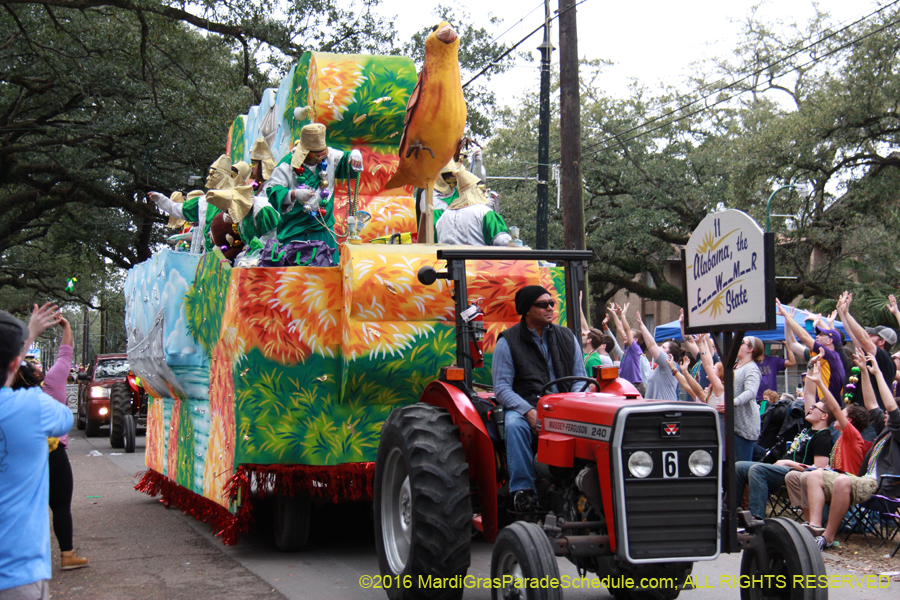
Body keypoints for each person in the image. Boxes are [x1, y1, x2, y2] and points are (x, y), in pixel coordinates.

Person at [492, 285, 588, 515]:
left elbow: (580, 378)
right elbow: (502, 388)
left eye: (551, 303)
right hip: (526, 405)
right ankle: (523, 492)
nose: (550, 308)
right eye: (543, 304)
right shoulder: (508, 341)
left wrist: (572, 405)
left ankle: (584, 486)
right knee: (514, 425)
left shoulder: (567, 337)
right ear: (527, 309)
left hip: (564, 405)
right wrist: (528, 411)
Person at [0, 306, 74, 599]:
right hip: (17, 574)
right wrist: (27, 336)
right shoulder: (33, 406)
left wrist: (26, 338)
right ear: (15, 364)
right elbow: (65, 420)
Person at [11, 317, 87, 570]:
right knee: (61, 505)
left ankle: (23, 559)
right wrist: (66, 326)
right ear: (34, 375)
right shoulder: (51, 385)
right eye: (34, 367)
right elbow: (65, 356)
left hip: (21, 455)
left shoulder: (10, 398)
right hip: (53, 453)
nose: (38, 368)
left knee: (23, 508)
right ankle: (67, 555)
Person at [803, 350, 899, 551]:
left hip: (884, 486)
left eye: (889, 415)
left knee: (841, 481)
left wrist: (878, 373)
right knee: (813, 476)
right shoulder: (885, 430)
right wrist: (864, 371)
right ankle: (815, 528)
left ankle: (828, 537)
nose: (885, 415)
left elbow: (890, 405)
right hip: (866, 481)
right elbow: (872, 404)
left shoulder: (897, 431)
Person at [735, 358, 835, 521]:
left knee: (757, 470)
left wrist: (789, 463)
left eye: (815, 408)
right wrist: (810, 365)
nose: (810, 408)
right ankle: (732, 512)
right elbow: (809, 393)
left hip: (793, 473)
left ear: (824, 416)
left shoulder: (823, 437)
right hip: (782, 468)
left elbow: (818, 471)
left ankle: (756, 519)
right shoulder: (808, 427)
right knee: (739, 466)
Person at [784, 354, 872, 528]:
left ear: (849, 421)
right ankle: (810, 522)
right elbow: (810, 396)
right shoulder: (839, 436)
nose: (837, 416)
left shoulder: (852, 436)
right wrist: (812, 371)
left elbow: (833, 408)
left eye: (842, 414)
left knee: (808, 475)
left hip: (846, 483)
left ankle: (817, 524)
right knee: (793, 476)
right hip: (830, 478)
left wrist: (820, 383)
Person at [264, 123, 363, 262]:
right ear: (305, 153)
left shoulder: (329, 157)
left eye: (323, 153)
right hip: (296, 234)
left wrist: (355, 156)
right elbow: (272, 190)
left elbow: (347, 163)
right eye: (316, 155)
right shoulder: (287, 165)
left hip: (324, 233)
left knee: (330, 274)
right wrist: (293, 194)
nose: (321, 157)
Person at [149, 155, 246, 253]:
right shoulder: (203, 202)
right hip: (209, 255)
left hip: (232, 253)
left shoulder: (236, 198)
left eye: (212, 174)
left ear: (221, 176)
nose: (208, 178)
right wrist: (161, 199)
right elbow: (179, 209)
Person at [836, 291, 897, 410]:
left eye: (872, 335)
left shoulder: (885, 359)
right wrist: (842, 312)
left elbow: (863, 339)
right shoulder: (870, 356)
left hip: (873, 416)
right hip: (860, 414)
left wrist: (847, 314)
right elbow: (853, 335)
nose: (868, 336)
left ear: (882, 342)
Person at [779, 300, 846, 403]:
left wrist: (786, 315)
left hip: (825, 405)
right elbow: (792, 344)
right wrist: (788, 323)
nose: (817, 336)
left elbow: (804, 337)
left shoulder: (829, 355)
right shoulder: (822, 354)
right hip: (820, 404)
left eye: (821, 335)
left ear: (830, 341)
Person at [435, 167, 511, 246]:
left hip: (446, 254)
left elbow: (436, 242)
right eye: (483, 191)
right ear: (476, 190)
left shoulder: (444, 216)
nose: (485, 195)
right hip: (476, 254)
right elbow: (502, 241)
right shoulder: (485, 212)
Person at [634, 311, 683, 402]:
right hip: (658, 407)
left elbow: (652, 346)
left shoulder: (668, 363)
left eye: (663, 347)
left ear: (669, 355)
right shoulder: (662, 367)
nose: (659, 348)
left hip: (665, 408)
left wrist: (641, 325)